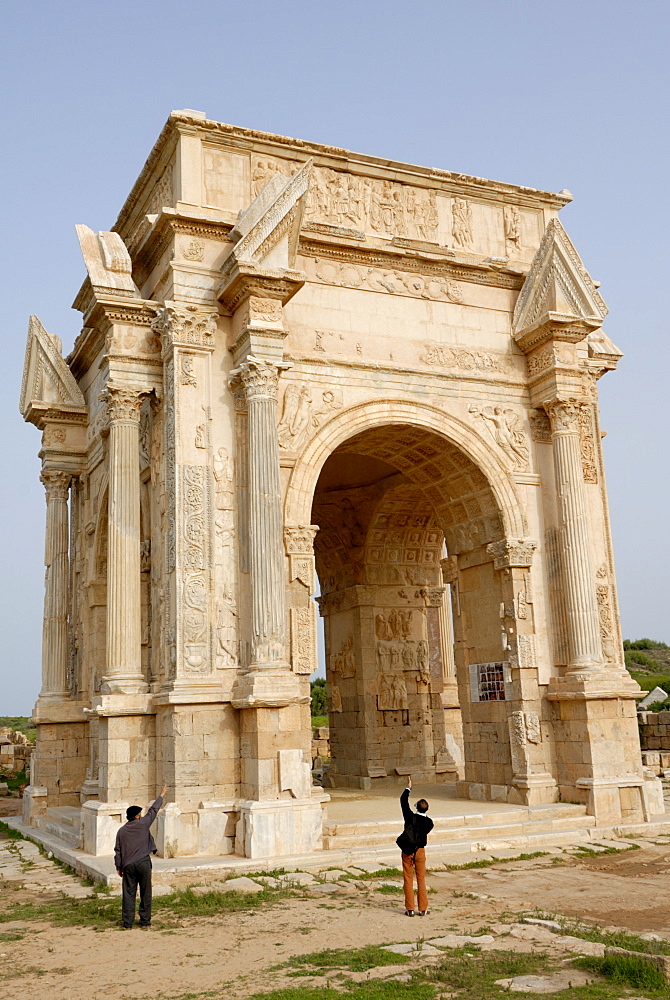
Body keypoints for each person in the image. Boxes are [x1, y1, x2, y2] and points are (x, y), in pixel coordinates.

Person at [114, 784, 168, 929]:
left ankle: (128, 923)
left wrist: (119, 867)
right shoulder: (143, 824)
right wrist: (161, 795)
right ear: (137, 816)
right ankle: (145, 921)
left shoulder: (121, 831)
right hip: (143, 862)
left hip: (128, 865)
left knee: (128, 894)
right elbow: (154, 810)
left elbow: (117, 851)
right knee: (146, 892)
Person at [396, 776, 433, 917]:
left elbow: (402, 801)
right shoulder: (429, 823)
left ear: (416, 807)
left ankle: (410, 909)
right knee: (421, 879)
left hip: (407, 850)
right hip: (420, 851)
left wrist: (408, 788)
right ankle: (423, 909)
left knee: (408, 878)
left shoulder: (409, 817)